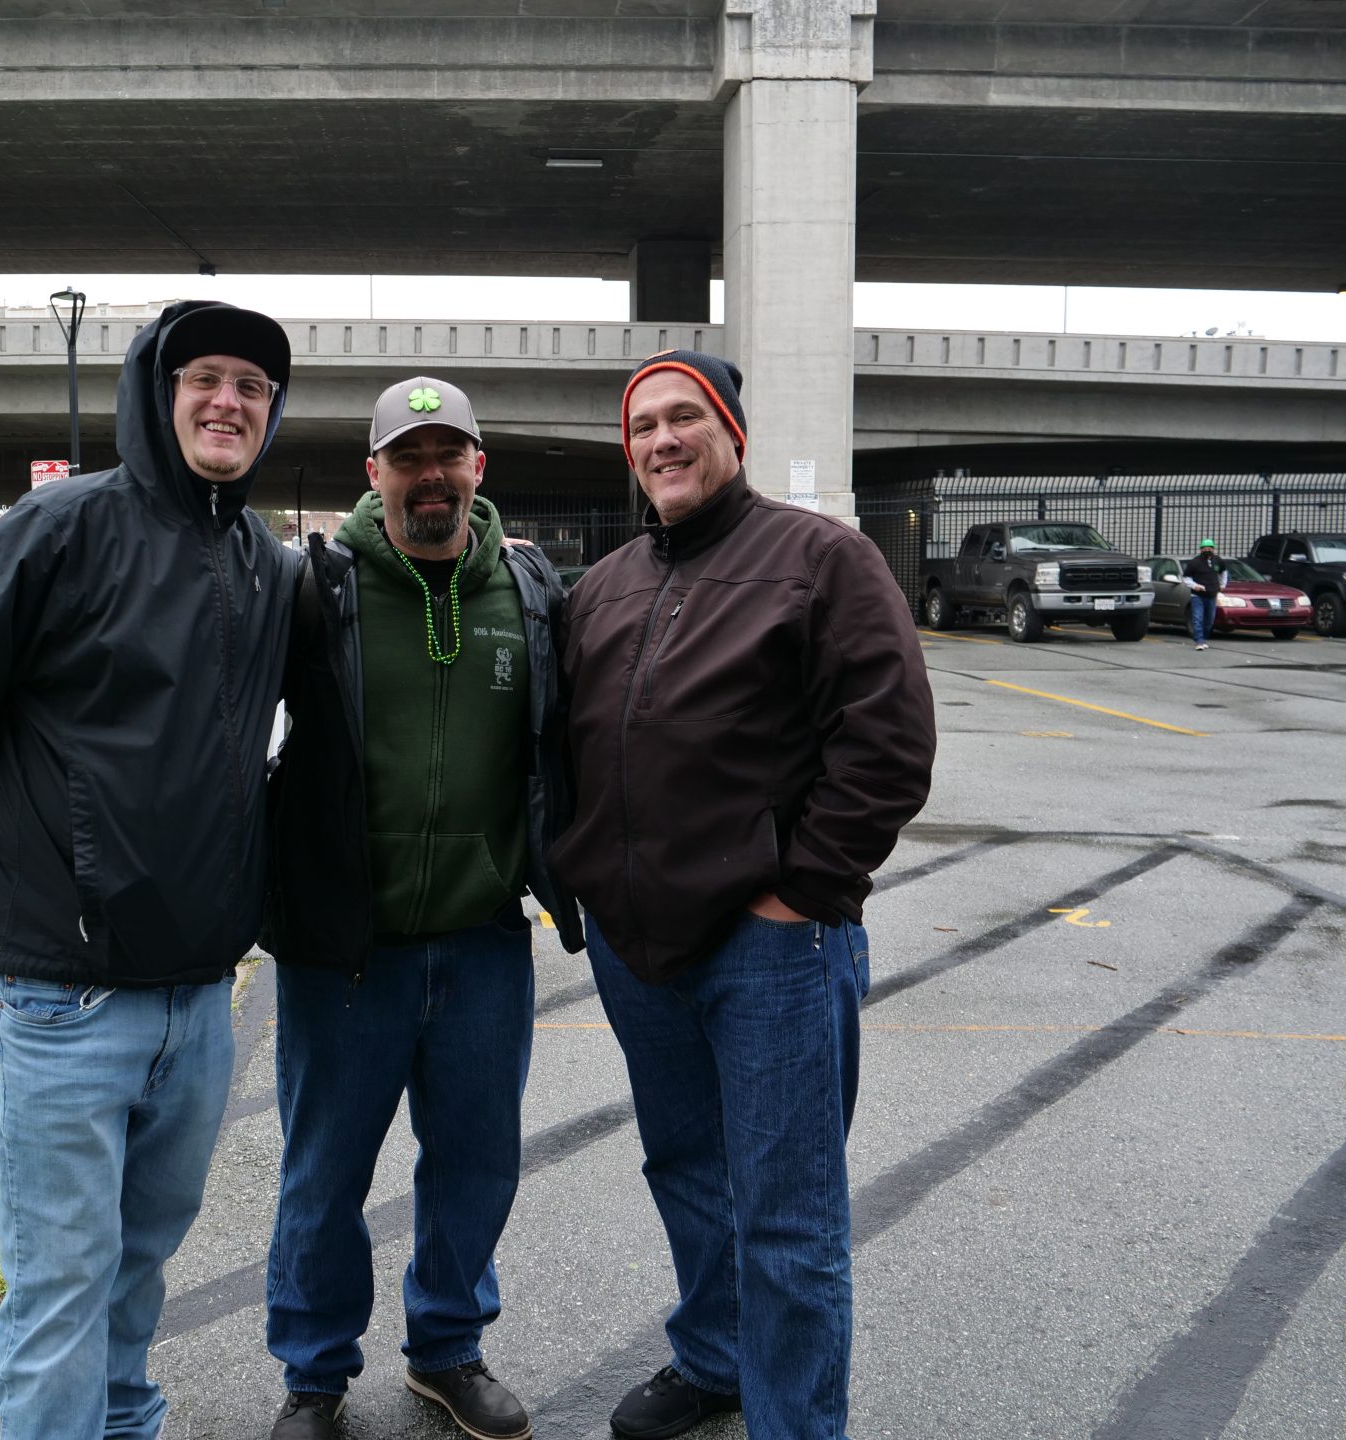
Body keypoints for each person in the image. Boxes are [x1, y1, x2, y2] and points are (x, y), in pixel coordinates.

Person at [0, 301, 299, 1440]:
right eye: (205, 377)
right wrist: (38, 843)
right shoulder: (63, 526)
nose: (228, 401)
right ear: (158, 393)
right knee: (61, 1283)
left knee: (140, 1260)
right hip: (67, 993)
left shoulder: (264, 564)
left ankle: (125, 1421)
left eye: (253, 387)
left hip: (202, 994)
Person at [552, 350, 936, 1440]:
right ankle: (716, 1358)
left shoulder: (822, 560)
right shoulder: (605, 587)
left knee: (787, 1215)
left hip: (771, 948)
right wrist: (578, 876)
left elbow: (889, 745)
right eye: (644, 428)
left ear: (734, 432)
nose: (663, 441)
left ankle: (794, 1423)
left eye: (686, 418)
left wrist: (801, 892)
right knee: (682, 1166)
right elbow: (568, 749)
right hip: (639, 946)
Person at [261, 376, 582, 1440]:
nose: (431, 475)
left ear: (479, 469)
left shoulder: (530, 591)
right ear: (375, 474)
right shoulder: (317, 589)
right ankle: (315, 1375)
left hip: (486, 943)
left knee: (477, 1164)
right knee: (324, 1175)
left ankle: (448, 1350)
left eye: (451, 455)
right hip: (347, 954)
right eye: (409, 457)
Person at [1185, 538, 1226, 650]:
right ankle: (1199, 640)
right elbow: (1186, 577)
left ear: (1214, 549)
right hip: (1197, 595)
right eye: (1205, 548)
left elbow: (1223, 573)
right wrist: (1194, 586)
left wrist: (1222, 585)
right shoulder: (1195, 562)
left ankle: (1204, 637)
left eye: (1210, 548)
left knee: (1210, 620)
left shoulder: (1218, 561)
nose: (1208, 550)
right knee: (1198, 617)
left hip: (1212, 595)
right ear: (1201, 549)